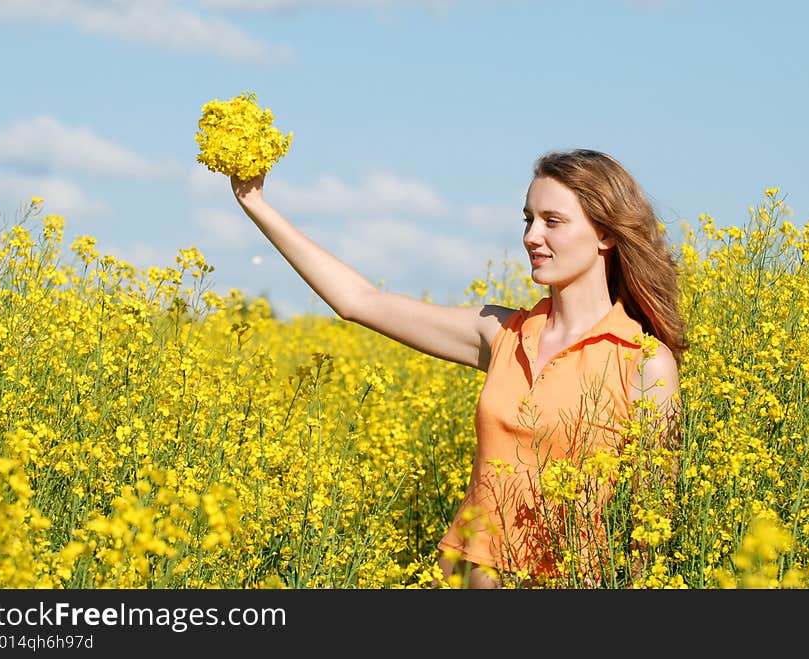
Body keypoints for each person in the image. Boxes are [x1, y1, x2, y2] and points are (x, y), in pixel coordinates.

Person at [231, 148, 685, 588]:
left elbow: (648, 527)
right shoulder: (502, 333)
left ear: (605, 234)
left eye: (553, 221)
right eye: (528, 219)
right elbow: (359, 302)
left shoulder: (644, 363)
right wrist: (256, 204)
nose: (531, 236)